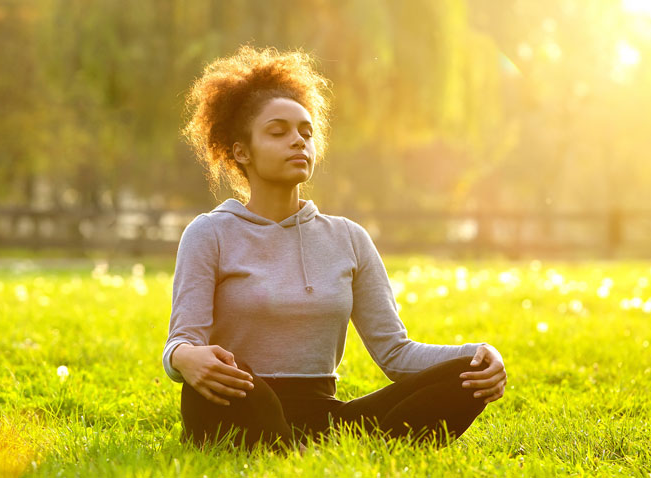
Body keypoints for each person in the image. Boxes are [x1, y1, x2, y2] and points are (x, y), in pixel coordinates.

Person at [163, 45, 507, 453]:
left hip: (325, 416)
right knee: (229, 389)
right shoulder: (209, 233)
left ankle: (294, 448)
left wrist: (480, 355)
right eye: (279, 132)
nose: (298, 142)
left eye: (306, 133)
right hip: (240, 399)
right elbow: (181, 341)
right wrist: (185, 359)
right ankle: (293, 447)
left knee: (468, 376)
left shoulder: (348, 238)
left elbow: (395, 353)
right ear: (242, 151)